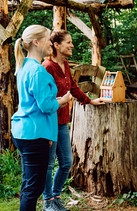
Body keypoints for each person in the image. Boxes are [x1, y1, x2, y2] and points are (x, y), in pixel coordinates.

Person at [41, 30, 105, 211]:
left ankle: (55, 196)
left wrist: (90, 100)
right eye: (68, 42)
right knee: (48, 164)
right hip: (48, 122)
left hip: (62, 122)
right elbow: (44, 98)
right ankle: (48, 202)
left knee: (67, 162)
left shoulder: (66, 64)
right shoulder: (47, 67)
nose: (72, 45)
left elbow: (73, 88)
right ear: (56, 45)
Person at [11, 25, 72, 211]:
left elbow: (35, 100)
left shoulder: (24, 66)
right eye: (47, 39)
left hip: (24, 131)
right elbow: (46, 106)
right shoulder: (37, 71)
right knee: (34, 187)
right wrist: (63, 100)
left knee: (29, 183)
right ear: (36, 42)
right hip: (34, 134)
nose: (50, 43)